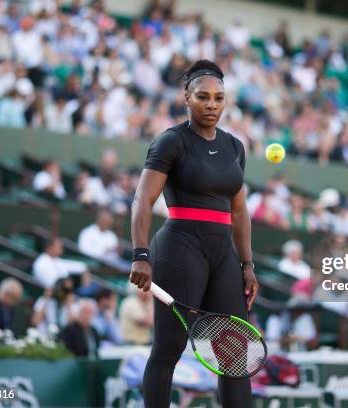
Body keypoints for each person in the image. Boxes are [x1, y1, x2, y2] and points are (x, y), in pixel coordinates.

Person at [128, 60, 259, 407]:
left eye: (219, 98)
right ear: (186, 97)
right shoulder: (170, 142)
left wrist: (247, 264)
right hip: (179, 248)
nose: (212, 105)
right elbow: (142, 200)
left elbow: (240, 210)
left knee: (234, 353)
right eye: (203, 97)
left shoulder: (235, 147)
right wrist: (140, 255)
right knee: (169, 347)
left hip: (223, 256)